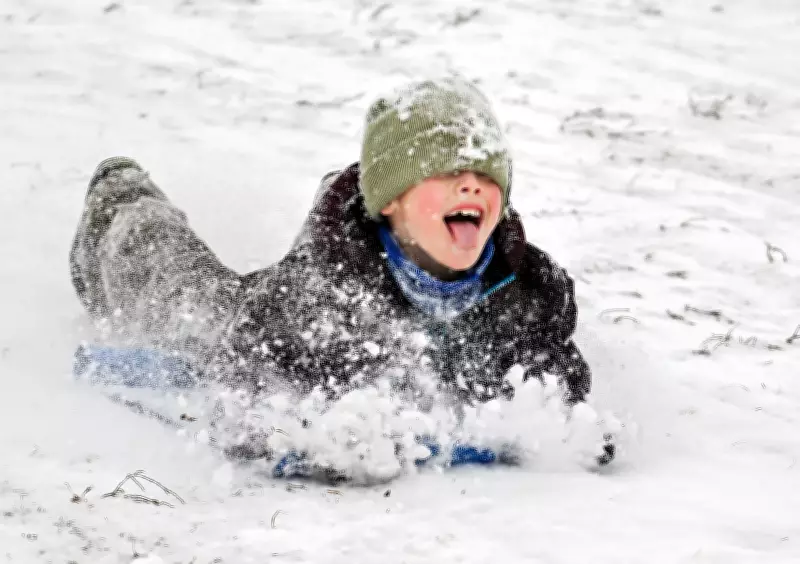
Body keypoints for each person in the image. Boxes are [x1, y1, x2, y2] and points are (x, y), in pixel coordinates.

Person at [70, 77, 592, 417]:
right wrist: (305, 426)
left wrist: (557, 418)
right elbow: (247, 383)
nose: (472, 187)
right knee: (185, 303)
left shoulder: (527, 289)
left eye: (487, 175)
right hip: (244, 324)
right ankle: (121, 203)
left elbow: (555, 376)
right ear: (391, 200)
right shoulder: (319, 292)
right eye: (449, 173)